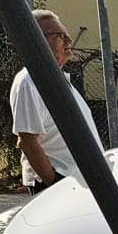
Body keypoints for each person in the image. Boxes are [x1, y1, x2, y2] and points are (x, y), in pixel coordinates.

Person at [12, 10, 101, 190]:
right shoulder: (30, 82)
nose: (68, 40)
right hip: (62, 183)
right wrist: (54, 184)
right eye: (59, 35)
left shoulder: (56, 77)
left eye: (66, 34)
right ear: (36, 40)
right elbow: (27, 142)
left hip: (79, 180)